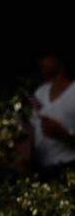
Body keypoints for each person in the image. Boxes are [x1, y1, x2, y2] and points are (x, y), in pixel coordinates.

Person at [27, 48, 75, 179]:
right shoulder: (39, 93)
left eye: (45, 56)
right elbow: (32, 129)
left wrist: (64, 136)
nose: (40, 62)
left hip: (69, 167)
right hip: (43, 171)